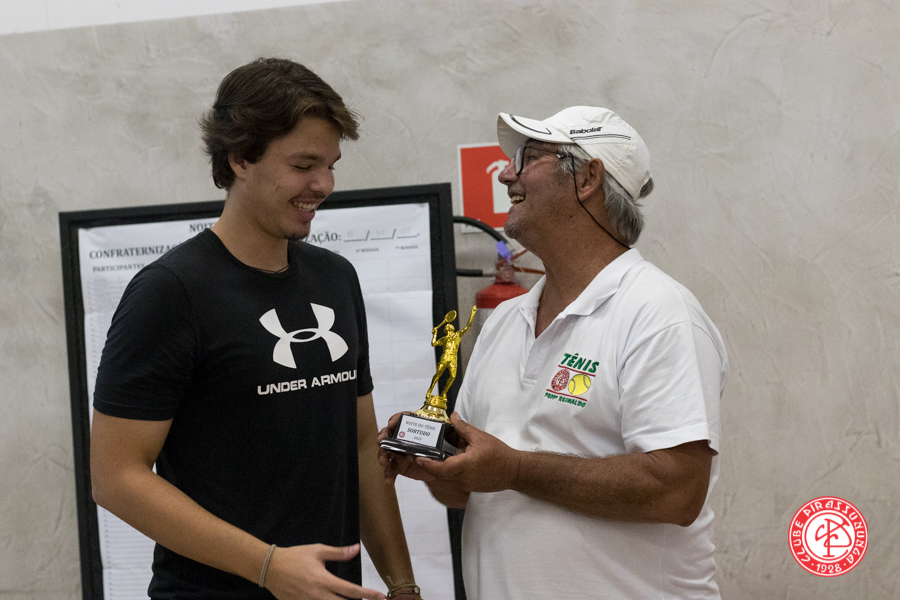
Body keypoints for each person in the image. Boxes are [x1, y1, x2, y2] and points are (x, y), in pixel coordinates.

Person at [91, 58, 422, 600]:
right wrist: (267, 566)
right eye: (304, 165)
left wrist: (403, 585)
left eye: (331, 166)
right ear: (240, 157)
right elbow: (116, 477)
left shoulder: (336, 278)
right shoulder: (171, 292)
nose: (324, 185)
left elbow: (362, 445)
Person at [380, 106, 728, 599]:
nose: (506, 174)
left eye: (528, 158)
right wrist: (438, 465)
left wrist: (515, 468)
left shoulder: (659, 313)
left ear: (587, 178)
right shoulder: (505, 321)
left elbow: (677, 490)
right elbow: (471, 490)